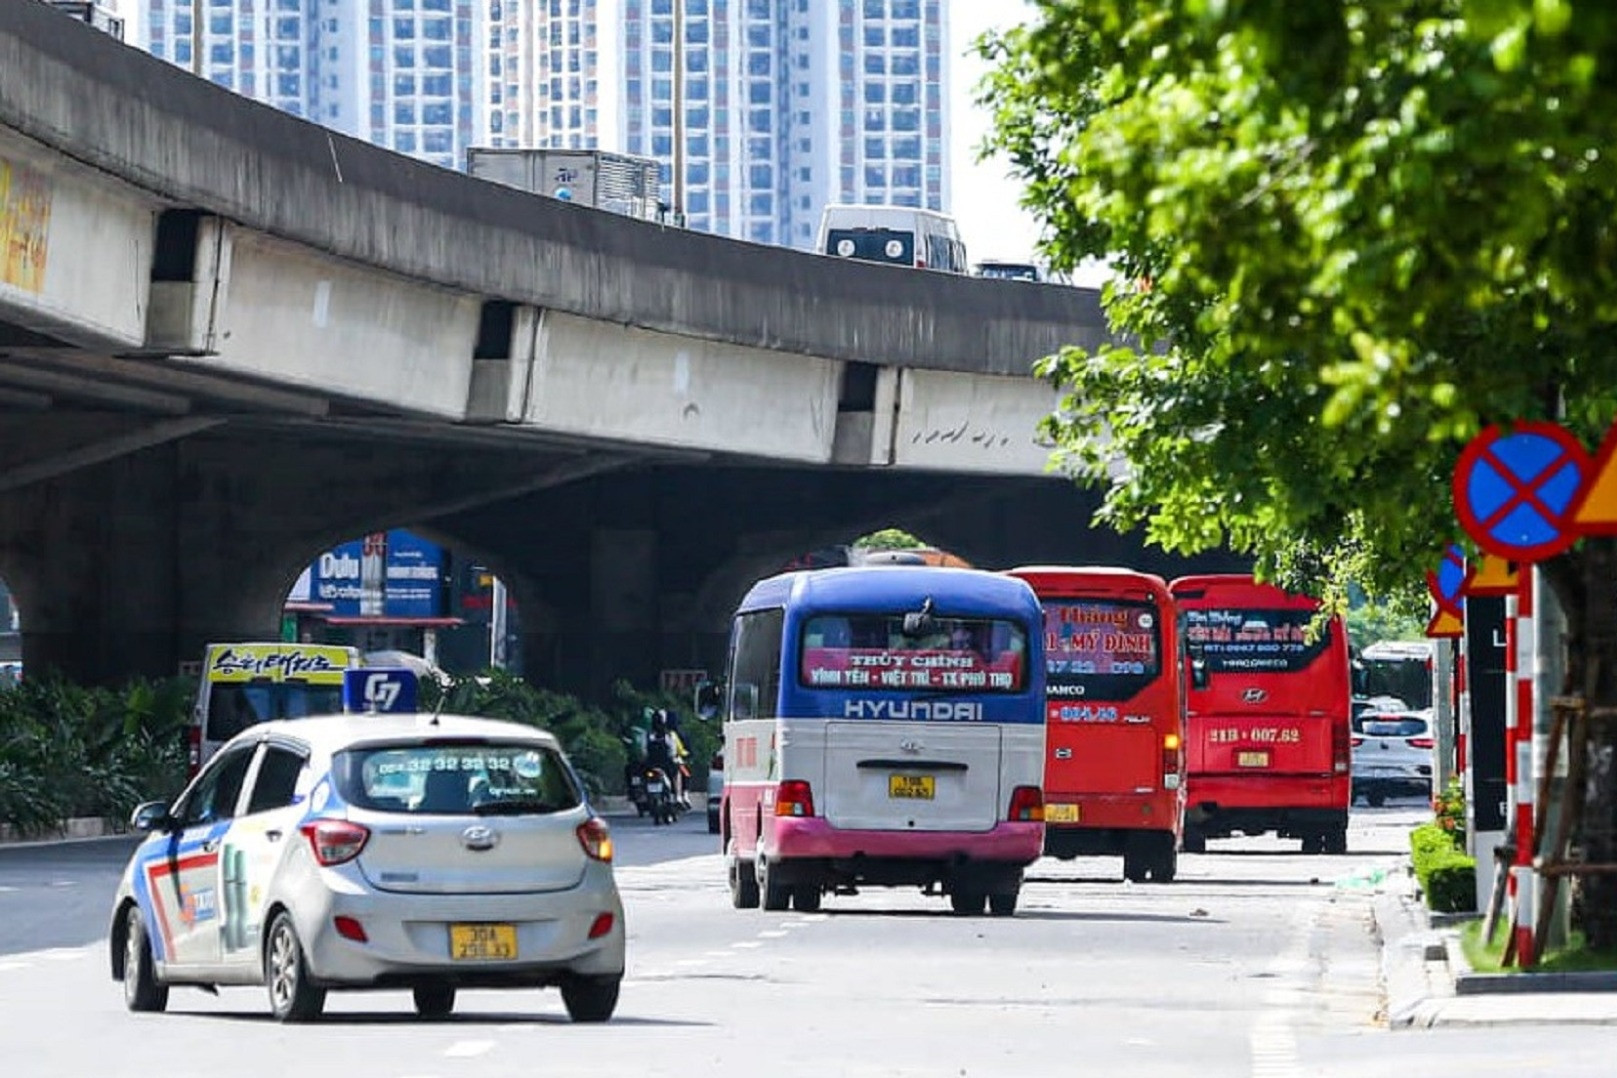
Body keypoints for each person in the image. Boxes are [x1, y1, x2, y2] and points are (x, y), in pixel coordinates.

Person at [644, 709, 690, 810]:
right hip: (667, 764)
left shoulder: (649, 735)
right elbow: (673, 750)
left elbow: (645, 750)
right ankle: (678, 797)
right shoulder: (669, 735)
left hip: (651, 764)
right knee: (677, 772)